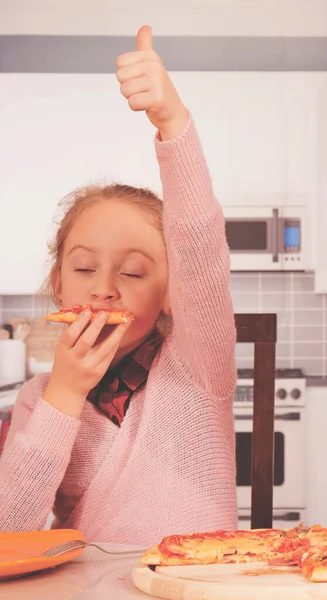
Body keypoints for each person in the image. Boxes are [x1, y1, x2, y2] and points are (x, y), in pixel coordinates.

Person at [0, 26, 238, 545]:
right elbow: (8, 530)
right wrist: (64, 393)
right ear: (58, 284)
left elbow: (198, 248)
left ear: (173, 292)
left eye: (132, 273)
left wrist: (173, 124)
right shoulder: (37, 399)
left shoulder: (198, 367)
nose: (105, 289)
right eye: (85, 269)